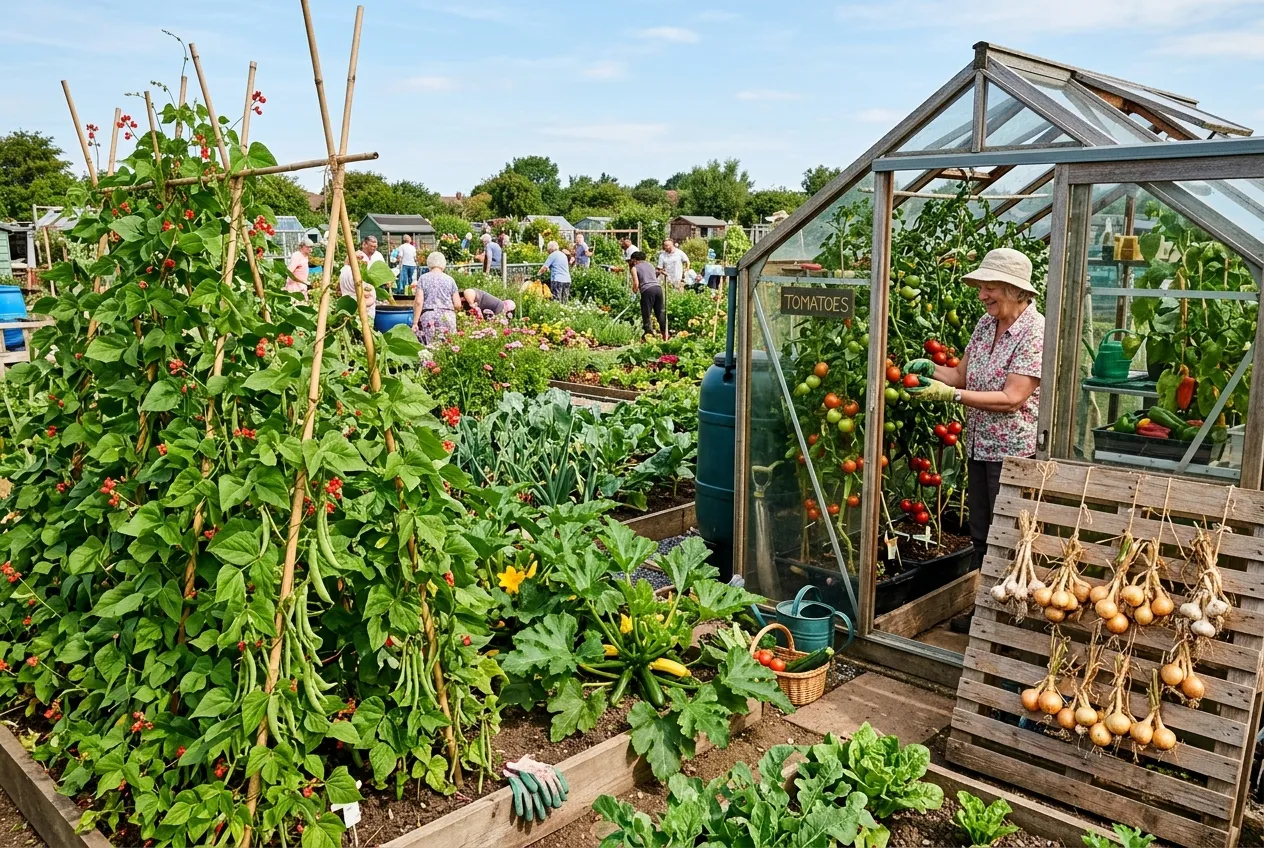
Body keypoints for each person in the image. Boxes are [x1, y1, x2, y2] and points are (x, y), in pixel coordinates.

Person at [905, 247, 1044, 577]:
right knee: (981, 531)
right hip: (979, 447)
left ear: (1013, 289)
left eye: (989, 287)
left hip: (1014, 455)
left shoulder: (1035, 331)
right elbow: (959, 376)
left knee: (1009, 535)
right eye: (981, 287)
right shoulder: (986, 324)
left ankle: (1006, 614)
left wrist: (951, 395)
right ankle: (983, 607)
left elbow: (1012, 397)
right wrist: (931, 370)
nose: (981, 295)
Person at [412, 251, 462, 344]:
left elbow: (419, 302)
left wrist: (415, 322)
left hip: (429, 316)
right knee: (449, 346)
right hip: (448, 316)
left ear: (429, 263)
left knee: (431, 347)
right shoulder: (450, 280)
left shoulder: (423, 278)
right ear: (443, 264)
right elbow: (458, 304)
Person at [631, 250, 666, 340]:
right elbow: (653, 276)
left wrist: (634, 292)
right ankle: (665, 334)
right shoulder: (650, 265)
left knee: (646, 313)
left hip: (647, 290)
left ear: (635, 260)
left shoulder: (634, 268)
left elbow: (636, 283)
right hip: (658, 288)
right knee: (660, 312)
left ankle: (648, 335)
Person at [339, 251, 378, 320]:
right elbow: (368, 298)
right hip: (363, 314)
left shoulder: (344, 271)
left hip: (347, 310)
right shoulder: (360, 277)